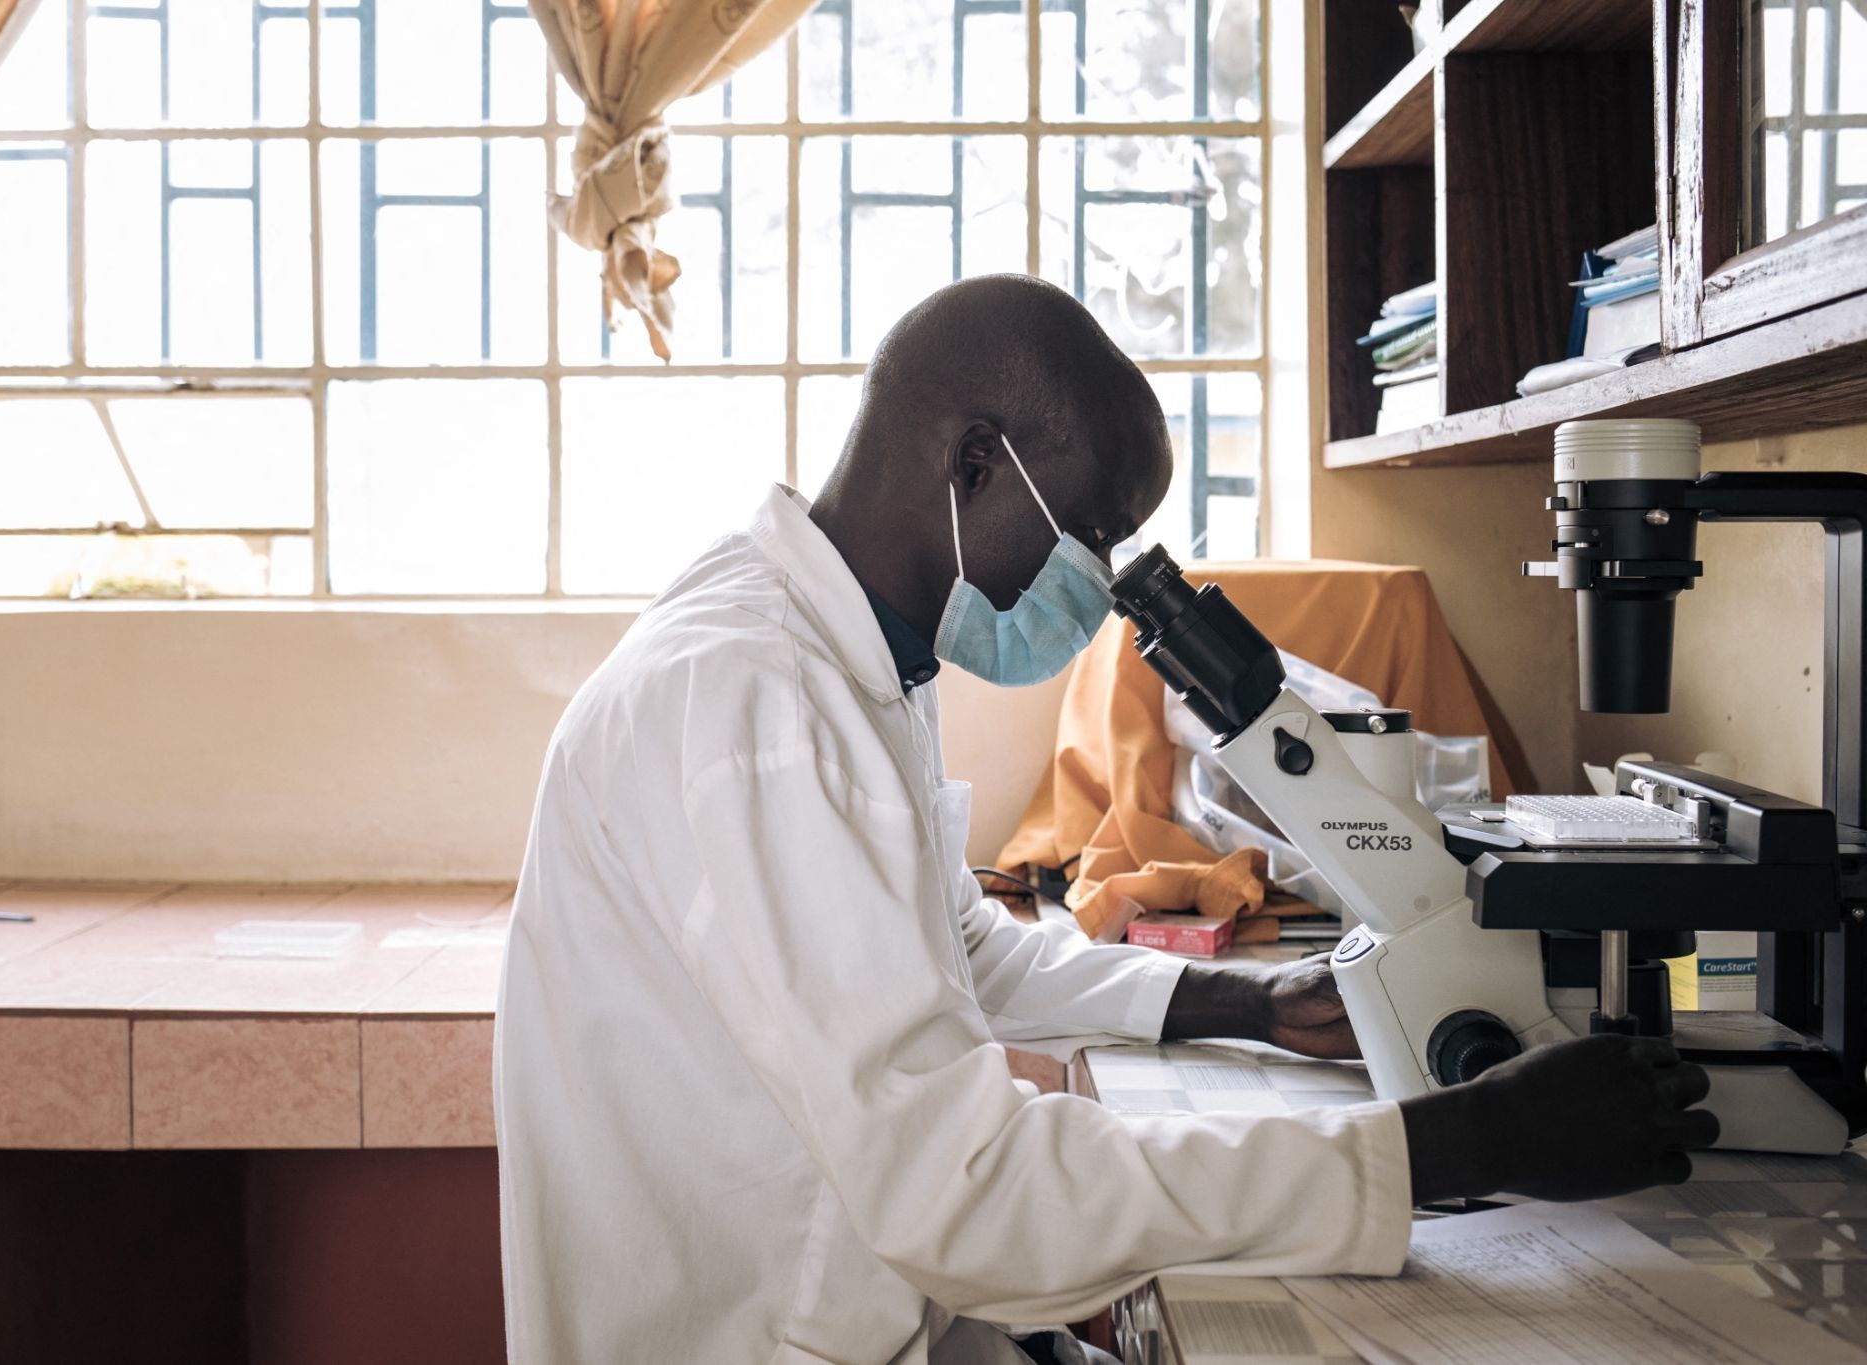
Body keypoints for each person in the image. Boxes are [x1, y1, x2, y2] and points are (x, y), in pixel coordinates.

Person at [494, 276, 1718, 1364]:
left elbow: (946, 946)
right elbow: (965, 1194)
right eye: (1088, 533)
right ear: (974, 460)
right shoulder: (755, 702)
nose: (1091, 585)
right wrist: (1463, 1140)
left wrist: (1243, 1006)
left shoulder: (848, 656)